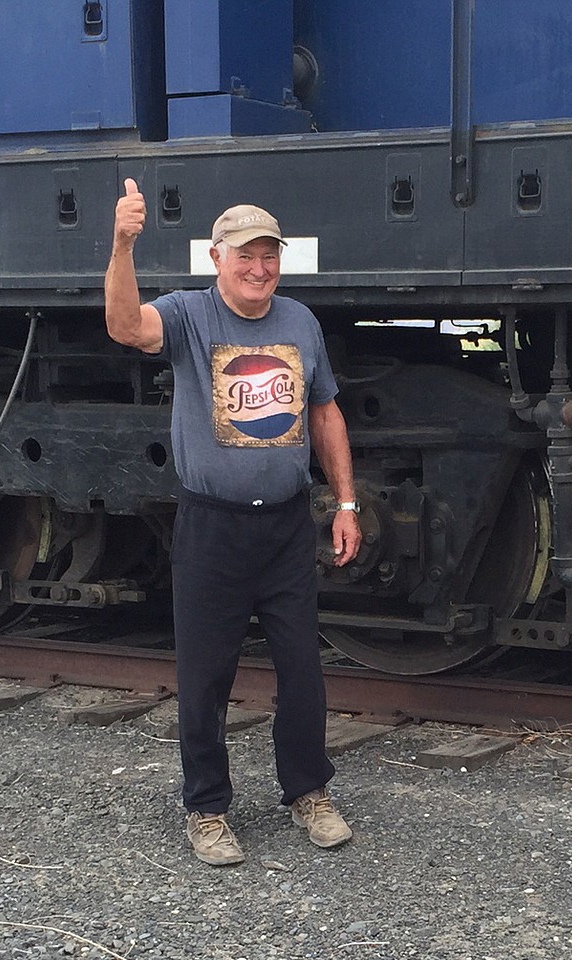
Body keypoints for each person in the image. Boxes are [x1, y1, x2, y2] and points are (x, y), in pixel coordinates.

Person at [105, 181, 362, 866]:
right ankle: (208, 809)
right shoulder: (189, 316)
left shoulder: (301, 324)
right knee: (206, 674)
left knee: (303, 668)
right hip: (212, 526)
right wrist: (124, 244)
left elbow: (325, 414)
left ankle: (309, 791)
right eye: (245, 255)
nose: (259, 268)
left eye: (268, 255)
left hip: (284, 526)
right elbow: (126, 328)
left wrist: (346, 502)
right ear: (217, 258)